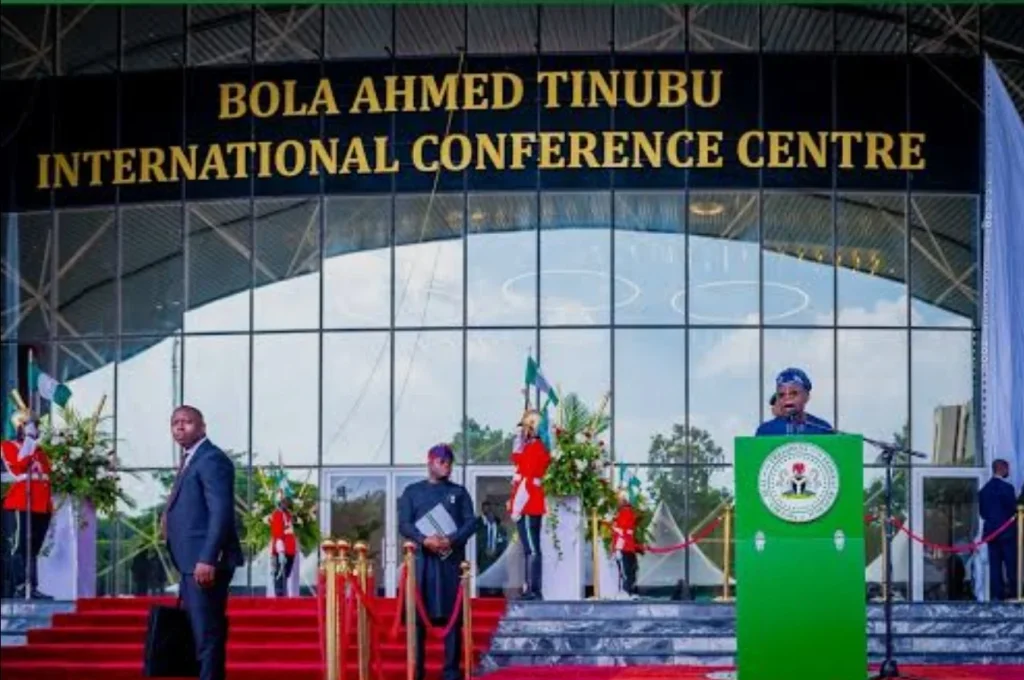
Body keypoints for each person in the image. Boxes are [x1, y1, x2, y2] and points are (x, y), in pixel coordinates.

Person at [164, 405, 244, 680]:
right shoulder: (191, 460)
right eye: (175, 422)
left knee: (207, 634)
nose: (180, 427)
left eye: (187, 422)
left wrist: (208, 557)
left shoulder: (211, 459)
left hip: (204, 563)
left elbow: (220, 511)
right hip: (189, 561)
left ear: (202, 427)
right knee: (198, 634)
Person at [397, 444, 478, 680]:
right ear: (430, 462)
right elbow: (404, 524)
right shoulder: (412, 492)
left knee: (453, 621)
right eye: (443, 462)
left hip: (451, 565)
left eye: (450, 462)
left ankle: (451, 672)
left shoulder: (460, 492)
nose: (447, 466)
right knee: (418, 621)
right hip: (422, 565)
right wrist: (424, 540)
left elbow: (471, 523)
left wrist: (450, 540)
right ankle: (417, 671)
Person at [1, 398, 54, 600]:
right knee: (21, 544)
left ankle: (33, 586)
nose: (36, 427)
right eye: (32, 424)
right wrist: (30, 443)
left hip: (42, 501)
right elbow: (18, 467)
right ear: (20, 426)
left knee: (35, 545)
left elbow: (47, 473)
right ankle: (21, 585)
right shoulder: (8, 446)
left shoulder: (39, 449)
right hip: (23, 499)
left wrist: (34, 443)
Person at [508, 409, 551, 600]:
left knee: (532, 548)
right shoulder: (531, 447)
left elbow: (526, 480)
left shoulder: (536, 448)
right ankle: (530, 589)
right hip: (528, 502)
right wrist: (518, 437)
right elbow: (516, 457)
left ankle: (534, 590)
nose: (522, 432)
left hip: (528, 502)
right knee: (529, 548)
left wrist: (517, 507)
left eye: (525, 428)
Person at [979, 458, 1018, 601]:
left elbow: (982, 513)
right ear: (1002, 469)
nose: (1009, 472)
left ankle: (997, 596)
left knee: (995, 567)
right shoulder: (1008, 488)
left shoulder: (983, 490)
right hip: (1007, 533)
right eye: (1007, 469)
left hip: (991, 534)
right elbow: (1013, 510)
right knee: (1011, 565)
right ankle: (1014, 594)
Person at [756, 368, 833, 436]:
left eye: (794, 393)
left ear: (807, 396)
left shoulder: (822, 429)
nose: (787, 398)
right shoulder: (765, 431)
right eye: (781, 395)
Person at [611, 490, 642, 598]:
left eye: (619, 499)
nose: (617, 501)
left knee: (625, 572)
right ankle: (629, 591)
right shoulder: (626, 512)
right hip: (627, 547)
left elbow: (621, 532)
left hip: (624, 547)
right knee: (628, 571)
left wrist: (618, 548)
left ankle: (626, 592)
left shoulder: (625, 512)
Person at [269, 492, 297, 597]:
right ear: (279, 503)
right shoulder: (277, 514)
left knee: (286, 575)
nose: (286, 504)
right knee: (279, 576)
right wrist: (280, 551)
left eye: (287, 502)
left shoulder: (288, 514)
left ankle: (283, 596)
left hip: (290, 549)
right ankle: (280, 598)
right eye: (284, 502)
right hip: (282, 549)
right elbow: (277, 534)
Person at [476, 501, 507, 575]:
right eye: (488, 513)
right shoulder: (481, 529)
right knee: (484, 585)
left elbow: (504, 545)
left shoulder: (502, 530)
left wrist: (495, 552)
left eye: (491, 512)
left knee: (497, 585)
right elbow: (478, 545)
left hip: (498, 563)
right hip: (484, 563)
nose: (490, 515)